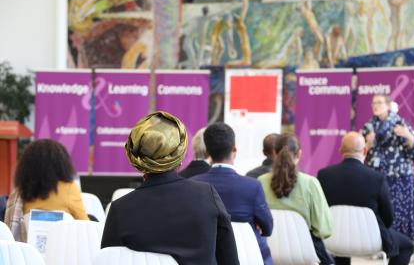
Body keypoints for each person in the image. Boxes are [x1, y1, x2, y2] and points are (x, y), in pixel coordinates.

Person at [101, 112, 239, 265]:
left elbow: (108, 260)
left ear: (137, 159)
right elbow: (230, 260)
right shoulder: (207, 196)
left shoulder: (119, 209)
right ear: (179, 157)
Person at [318, 132, 414, 265]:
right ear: (365, 150)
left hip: (334, 239)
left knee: (341, 246)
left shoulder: (324, 176)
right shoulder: (377, 178)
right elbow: (388, 219)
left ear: (340, 150)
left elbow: (319, 212)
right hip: (370, 240)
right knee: (407, 246)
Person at [192, 123, 273, 265]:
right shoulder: (252, 186)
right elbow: (267, 228)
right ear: (234, 149)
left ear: (207, 153)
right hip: (248, 258)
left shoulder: (192, 185)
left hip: (210, 258)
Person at [258, 133, 334, 265]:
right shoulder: (311, 183)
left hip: (269, 253)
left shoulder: (261, 182)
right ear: (299, 154)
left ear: (274, 154)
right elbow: (324, 229)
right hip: (305, 254)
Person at [5, 139, 89, 241]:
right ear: (61, 163)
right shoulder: (69, 188)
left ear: (27, 165)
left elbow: (9, 231)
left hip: (28, 254)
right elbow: (86, 226)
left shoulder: (18, 194)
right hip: (63, 252)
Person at [363, 94, 414, 241]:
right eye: (373, 103)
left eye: (379, 102)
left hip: (400, 177)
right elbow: (361, 154)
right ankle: (381, 245)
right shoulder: (368, 127)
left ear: (388, 105)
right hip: (377, 177)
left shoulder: (400, 123)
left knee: (400, 214)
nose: (375, 105)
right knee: (379, 212)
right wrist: (368, 143)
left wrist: (409, 136)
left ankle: (404, 247)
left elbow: (413, 151)